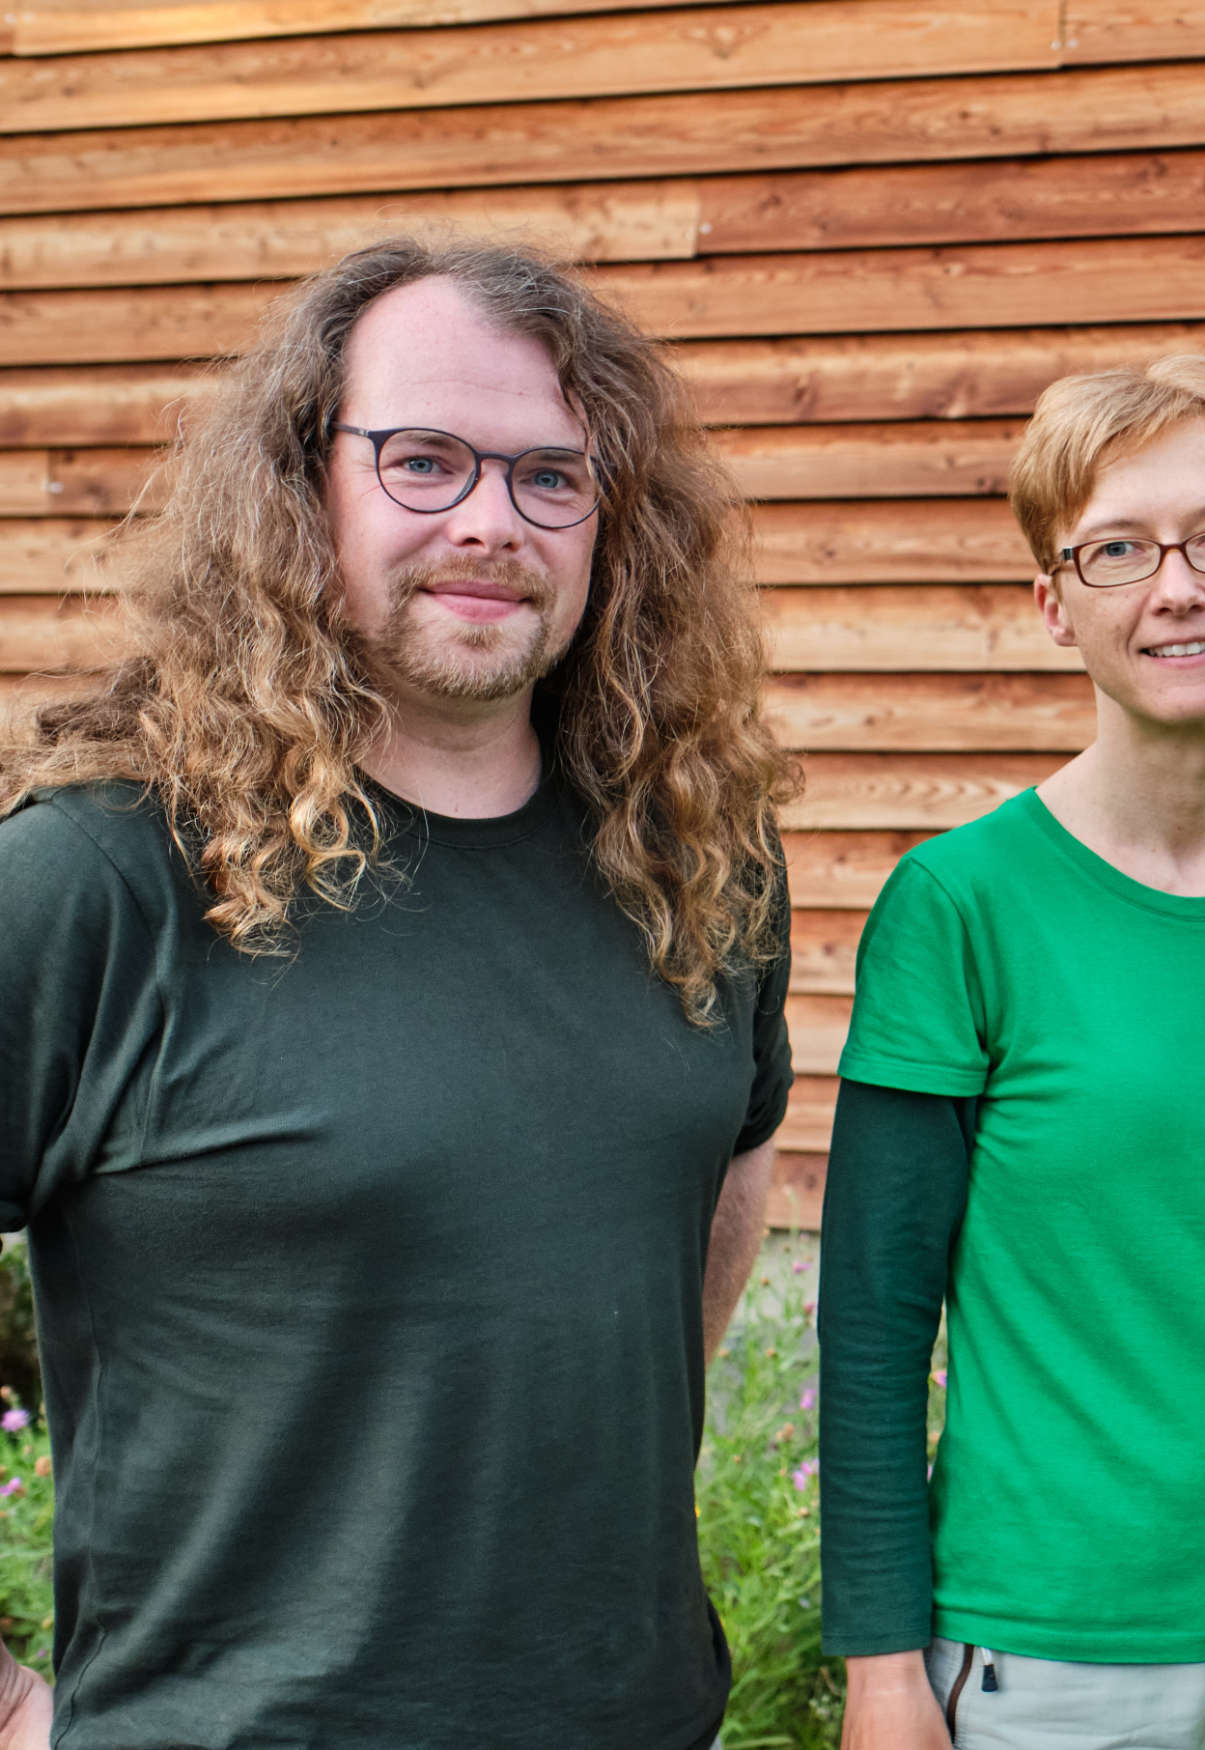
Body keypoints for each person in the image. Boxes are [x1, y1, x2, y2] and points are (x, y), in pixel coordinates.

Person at [0, 238, 796, 1750]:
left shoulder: (695, 851)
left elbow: (729, 1157)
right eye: (423, 460)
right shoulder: (100, 879)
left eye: (551, 476)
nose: (492, 521)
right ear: (303, 487)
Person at [817, 355, 1205, 1750]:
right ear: (1055, 605)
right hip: (1057, 1655)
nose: (1179, 587)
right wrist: (877, 1666)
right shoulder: (962, 907)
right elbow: (871, 1320)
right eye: (1117, 550)